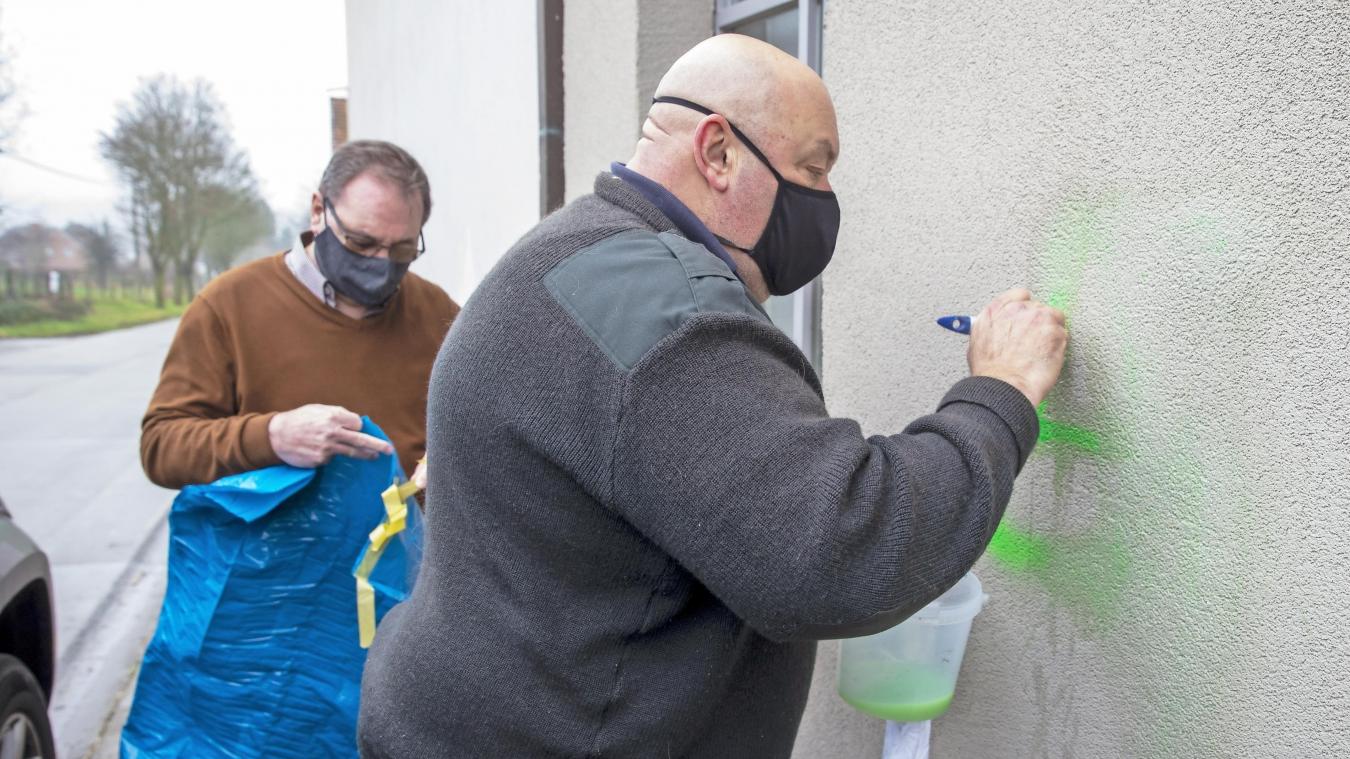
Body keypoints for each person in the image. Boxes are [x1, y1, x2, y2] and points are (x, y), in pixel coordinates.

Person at [359, 35, 1066, 759]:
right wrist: (999, 392)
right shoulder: (668, 314)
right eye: (813, 169)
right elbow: (842, 550)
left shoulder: (579, 248)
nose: (825, 202)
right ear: (718, 152)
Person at [141, 139, 458, 490]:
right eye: (361, 243)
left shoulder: (437, 313)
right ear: (319, 211)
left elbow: (483, 422)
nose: (381, 263)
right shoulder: (227, 307)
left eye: (402, 249)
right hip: (277, 544)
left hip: (409, 544)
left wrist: (451, 460)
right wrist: (272, 437)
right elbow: (161, 447)